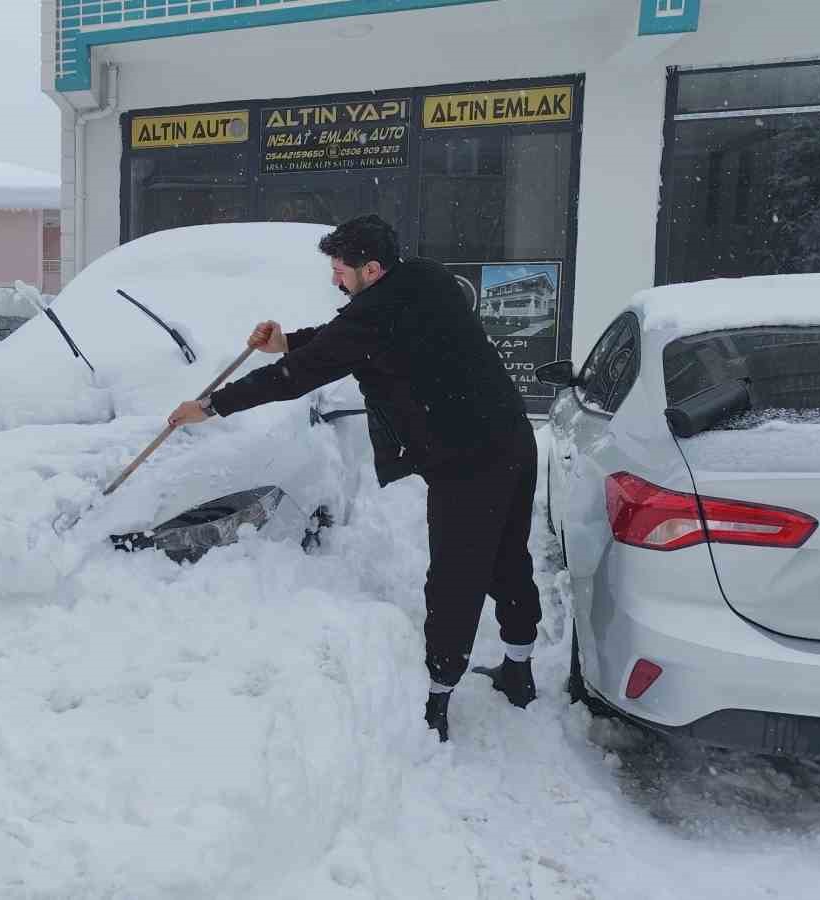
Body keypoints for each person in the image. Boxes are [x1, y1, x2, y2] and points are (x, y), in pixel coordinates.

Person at [167, 214, 541, 742]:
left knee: (455, 580)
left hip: (467, 461)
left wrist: (212, 405)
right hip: (513, 439)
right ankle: (520, 669)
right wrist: (289, 341)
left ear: (372, 269)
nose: (334, 279)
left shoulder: (373, 318)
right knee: (508, 557)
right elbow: (347, 335)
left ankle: (436, 703)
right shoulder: (426, 277)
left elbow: (298, 376)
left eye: (341, 270)